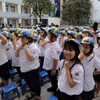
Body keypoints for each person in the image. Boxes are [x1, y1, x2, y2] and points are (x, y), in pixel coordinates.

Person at [16, 29, 41, 100]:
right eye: (21, 38)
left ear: (29, 38)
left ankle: (38, 97)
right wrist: (19, 49)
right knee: (29, 84)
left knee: (35, 84)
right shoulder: (22, 45)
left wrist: (26, 49)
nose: (21, 39)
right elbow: (16, 55)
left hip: (32, 70)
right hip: (24, 69)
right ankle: (33, 93)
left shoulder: (34, 47)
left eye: (23, 38)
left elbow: (31, 58)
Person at [42, 27, 62, 95]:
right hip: (49, 66)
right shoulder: (50, 43)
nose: (48, 36)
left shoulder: (55, 46)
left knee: (54, 79)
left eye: (49, 35)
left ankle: (56, 90)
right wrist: (48, 41)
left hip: (52, 67)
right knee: (51, 79)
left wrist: (53, 69)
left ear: (53, 36)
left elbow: (56, 59)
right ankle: (53, 87)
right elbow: (42, 45)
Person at [93, 33, 100, 97]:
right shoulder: (95, 47)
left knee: (99, 81)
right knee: (94, 79)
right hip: (94, 65)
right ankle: (94, 91)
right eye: (99, 39)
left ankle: (97, 92)